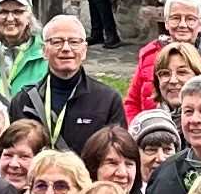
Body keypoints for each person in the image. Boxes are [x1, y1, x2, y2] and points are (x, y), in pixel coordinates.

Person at [18, 13, 127, 150]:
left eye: (74, 42)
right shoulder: (24, 100)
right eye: (57, 42)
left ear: (84, 50)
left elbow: (117, 154)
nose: (66, 48)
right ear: (44, 51)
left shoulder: (107, 100)